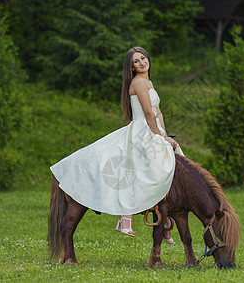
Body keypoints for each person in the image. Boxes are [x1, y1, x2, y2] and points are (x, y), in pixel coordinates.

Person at [50, 47, 183, 244]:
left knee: (175, 159)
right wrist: (159, 136)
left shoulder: (148, 82)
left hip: (151, 128)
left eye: (143, 58)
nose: (141, 63)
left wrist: (164, 133)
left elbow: (157, 112)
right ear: (131, 68)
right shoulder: (138, 82)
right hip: (142, 129)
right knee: (148, 163)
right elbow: (147, 113)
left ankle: (166, 217)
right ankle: (129, 215)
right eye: (136, 62)